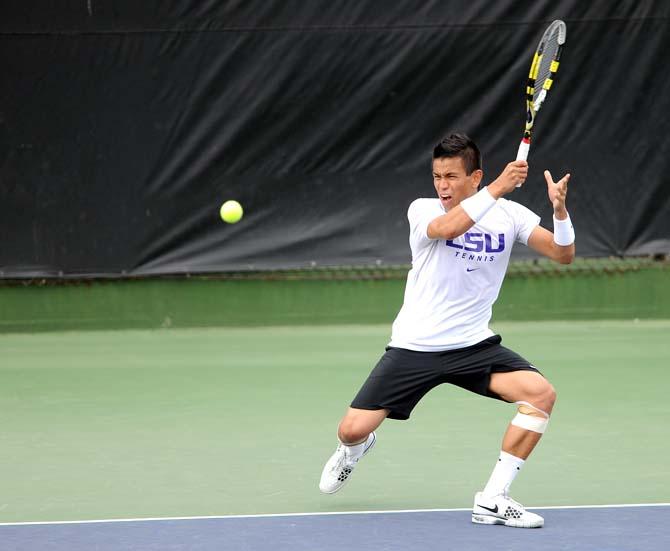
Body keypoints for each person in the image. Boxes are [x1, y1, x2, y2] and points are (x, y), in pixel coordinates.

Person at [318, 133, 574, 529]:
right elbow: (447, 230)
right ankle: (355, 450)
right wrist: (497, 188)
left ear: (475, 177)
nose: (442, 185)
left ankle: (493, 499)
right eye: (437, 175)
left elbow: (563, 254)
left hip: (474, 346)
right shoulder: (423, 209)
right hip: (414, 347)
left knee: (541, 395)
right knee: (351, 429)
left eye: (452, 176)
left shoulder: (512, 215)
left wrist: (559, 212)